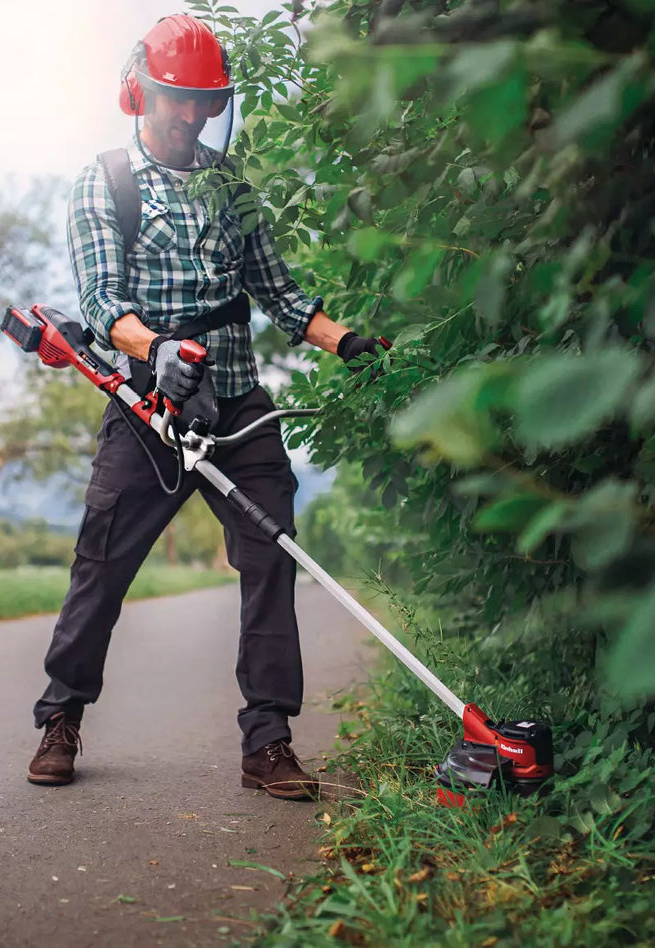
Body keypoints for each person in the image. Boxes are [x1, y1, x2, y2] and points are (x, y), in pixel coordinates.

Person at [27, 13, 388, 801]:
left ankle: (268, 742)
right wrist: (152, 348)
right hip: (146, 407)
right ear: (139, 92)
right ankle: (61, 716)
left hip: (236, 406)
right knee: (102, 567)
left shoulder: (231, 186)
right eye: (174, 100)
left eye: (203, 101)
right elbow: (99, 300)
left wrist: (349, 341)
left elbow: (280, 293)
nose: (189, 116)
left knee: (271, 561)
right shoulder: (105, 180)